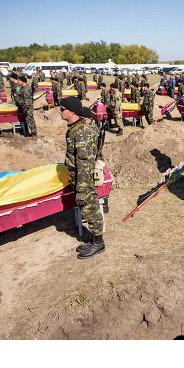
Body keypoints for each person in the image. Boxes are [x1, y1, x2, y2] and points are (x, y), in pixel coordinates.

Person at [60, 97, 105, 259]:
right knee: (88, 208)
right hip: (78, 178)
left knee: (90, 208)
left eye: (62, 109)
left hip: (83, 179)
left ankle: (98, 243)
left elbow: (84, 163)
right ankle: (94, 239)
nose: (60, 111)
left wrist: (81, 188)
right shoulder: (75, 128)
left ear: (72, 111)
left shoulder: (81, 132)